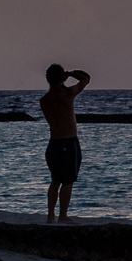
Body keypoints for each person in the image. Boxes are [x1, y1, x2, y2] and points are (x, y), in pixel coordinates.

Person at [39, 63, 90, 223]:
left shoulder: (44, 100)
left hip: (53, 143)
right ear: (61, 79)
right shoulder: (67, 94)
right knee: (68, 181)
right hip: (68, 142)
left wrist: (61, 78)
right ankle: (62, 216)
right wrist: (70, 73)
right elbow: (86, 79)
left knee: (55, 180)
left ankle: (50, 216)